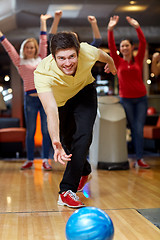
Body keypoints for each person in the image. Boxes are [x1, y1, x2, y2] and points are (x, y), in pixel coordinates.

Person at [34, 31, 117, 208]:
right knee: (68, 143)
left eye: (72, 56)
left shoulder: (88, 50)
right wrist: (55, 141)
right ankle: (84, 170)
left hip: (85, 93)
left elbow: (104, 55)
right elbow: (50, 109)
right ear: (53, 57)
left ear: (78, 52)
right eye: (61, 58)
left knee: (84, 136)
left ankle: (66, 190)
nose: (68, 63)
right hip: (61, 104)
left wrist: (111, 63)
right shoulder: (42, 73)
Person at [0, 14, 54, 170]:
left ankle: (45, 160)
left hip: (44, 98)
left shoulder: (41, 58)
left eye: (32, 47)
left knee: (45, 131)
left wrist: (43, 22)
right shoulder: (19, 62)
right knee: (31, 132)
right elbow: (8, 47)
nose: (29, 49)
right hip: (30, 99)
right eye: (27, 47)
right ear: (24, 49)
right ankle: (30, 159)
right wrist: (1, 35)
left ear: (35, 49)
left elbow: (44, 40)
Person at [106, 15, 150, 169]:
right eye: (122, 46)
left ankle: (139, 158)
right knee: (132, 128)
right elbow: (111, 45)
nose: (124, 48)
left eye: (126, 45)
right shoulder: (118, 62)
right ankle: (131, 157)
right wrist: (110, 29)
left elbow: (143, 43)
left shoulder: (138, 60)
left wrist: (137, 27)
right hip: (126, 100)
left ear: (132, 47)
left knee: (138, 128)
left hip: (141, 99)